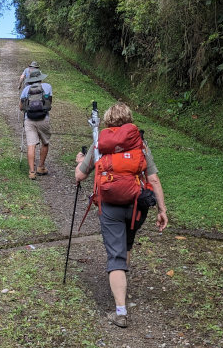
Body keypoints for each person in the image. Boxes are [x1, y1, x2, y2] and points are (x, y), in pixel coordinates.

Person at [74, 102, 168, 328]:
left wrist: (81, 162)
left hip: (110, 206)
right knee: (126, 244)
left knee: (115, 255)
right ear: (130, 120)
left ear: (107, 121)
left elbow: (80, 176)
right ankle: (123, 279)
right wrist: (162, 210)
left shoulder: (100, 144)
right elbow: (153, 179)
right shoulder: (140, 143)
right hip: (137, 205)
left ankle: (120, 311)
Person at [20, 69, 52, 179]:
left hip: (29, 119)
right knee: (45, 142)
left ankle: (32, 172)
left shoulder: (26, 90)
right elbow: (49, 103)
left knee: (31, 145)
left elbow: (21, 107)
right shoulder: (47, 87)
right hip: (44, 118)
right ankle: (41, 167)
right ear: (40, 78)